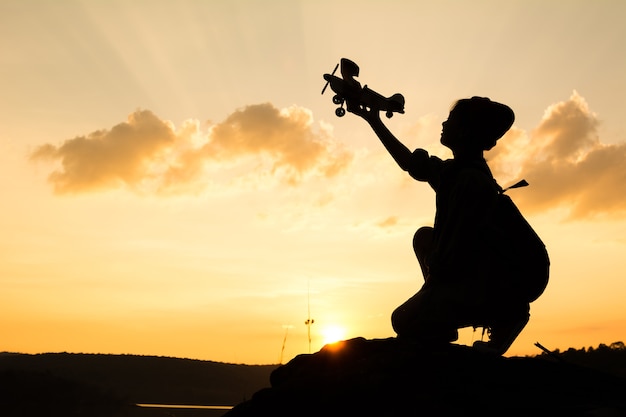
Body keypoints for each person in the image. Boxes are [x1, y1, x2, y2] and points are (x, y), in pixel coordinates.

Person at [352, 96, 532, 354]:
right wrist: (373, 120)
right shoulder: (454, 172)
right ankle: (442, 315)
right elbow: (411, 164)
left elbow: (457, 251)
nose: (444, 124)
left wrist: (435, 284)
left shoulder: (470, 182)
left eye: (452, 120)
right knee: (424, 237)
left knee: (401, 320)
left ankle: (503, 314)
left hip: (483, 282)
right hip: (472, 272)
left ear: (466, 131)